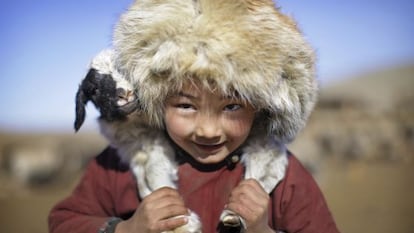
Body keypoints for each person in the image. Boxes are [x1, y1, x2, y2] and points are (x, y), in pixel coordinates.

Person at [48, 0, 340, 233]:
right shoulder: (119, 165)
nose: (208, 130)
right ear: (156, 100)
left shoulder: (284, 177)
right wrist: (125, 229)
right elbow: (64, 221)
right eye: (186, 106)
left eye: (231, 107)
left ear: (262, 106)